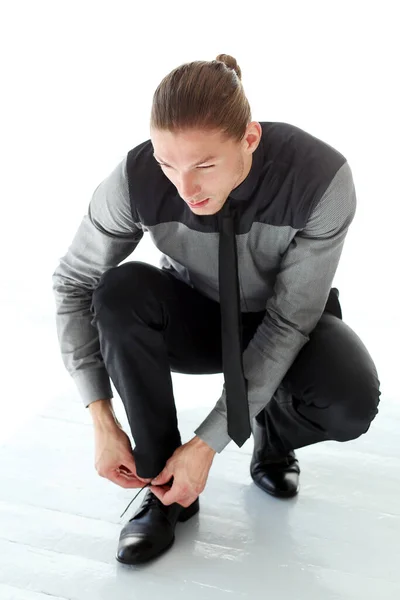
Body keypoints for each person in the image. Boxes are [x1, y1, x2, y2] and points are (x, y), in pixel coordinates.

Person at [52, 53, 381, 565]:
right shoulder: (135, 179)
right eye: (168, 164)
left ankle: (271, 433)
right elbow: (72, 282)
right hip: (199, 314)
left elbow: (289, 321)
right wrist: (101, 416)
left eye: (205, 165)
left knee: (350, 400)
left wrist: (208, 443)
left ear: (249, 139)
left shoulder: (321, 178)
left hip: (287, 322)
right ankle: (164, 487)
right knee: (118, 292)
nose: (184, 188)